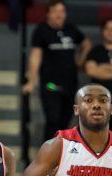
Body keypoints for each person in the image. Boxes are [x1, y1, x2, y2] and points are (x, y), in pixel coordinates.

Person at [22, 0, 91, 142]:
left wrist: (80, 60)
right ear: (48, 14)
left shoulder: (71, 29)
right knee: (53, 119)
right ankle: (48, 155)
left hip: (70, 83)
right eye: (55, 11)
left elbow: (86, 44)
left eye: (62, 11)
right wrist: (31, 81)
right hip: (50, 84)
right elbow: (35, 56)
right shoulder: (41, 31)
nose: (59, 15)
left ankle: (62, 155)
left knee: (66, 122)